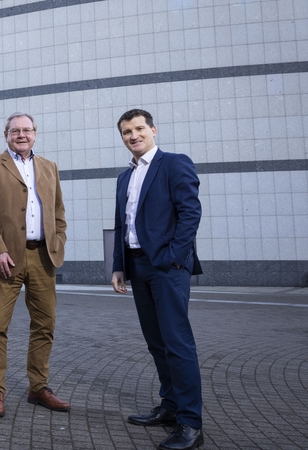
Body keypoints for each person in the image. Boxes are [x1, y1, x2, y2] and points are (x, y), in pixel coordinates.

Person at [111, 109, 204, 450]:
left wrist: (174, 258)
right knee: (156, 342)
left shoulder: (174, 163)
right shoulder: (125, 177)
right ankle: (170, 406)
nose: (132, 135)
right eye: (125, 132)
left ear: (153, 130)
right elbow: (123, 225)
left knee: (178, 344)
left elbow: (190, 212)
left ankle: (191, 424)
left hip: (167, 269)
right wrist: (118, 266)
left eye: (138, 129)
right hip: (137, 268)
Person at [0, 112, 68, 418]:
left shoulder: (49, 167)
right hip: (7, 259)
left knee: (45, 325)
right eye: (15, 130)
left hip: (43, 257)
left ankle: (38, 387)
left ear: (35, 134)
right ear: (6, 135)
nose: (22, 135)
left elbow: (58, 212)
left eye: (27, 130)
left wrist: (58, 243)